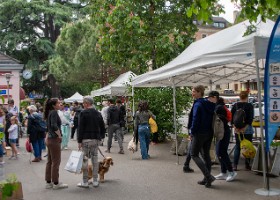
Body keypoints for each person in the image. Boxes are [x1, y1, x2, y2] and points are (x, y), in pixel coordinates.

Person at [189, 85, 216, 188]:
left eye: (194, 91)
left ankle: (208, 177)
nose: (192, 93)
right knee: (206, 156)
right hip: (209, 133)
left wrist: (192, 132)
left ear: (199, 92)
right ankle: (207, 180)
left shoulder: (198, 104)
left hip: (199, 133)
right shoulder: (209, 103)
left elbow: (195, 120)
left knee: (194, 154)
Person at [207, 91, 237, 182]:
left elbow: (220, 121)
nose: (208, 99)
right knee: (219, 152)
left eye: (210, 97)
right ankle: (223, 172)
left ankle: (231, 172)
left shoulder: (219, 107)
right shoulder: (218, 106)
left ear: (215, 97)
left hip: (223, 132)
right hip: (221, 132)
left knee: (221, 152)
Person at [77, 96, 105, 188]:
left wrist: (79, 141)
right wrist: (101, 137)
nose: (83, 104)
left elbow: (80, 128)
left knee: (85, 160)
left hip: (85, 139)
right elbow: (102, 126)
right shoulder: (97, 113)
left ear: (86, 103)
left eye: (83, 103)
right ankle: (95, 180)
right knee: (95, 160)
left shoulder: (83, 113)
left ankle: (85, 181)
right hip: (95, 139)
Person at [44, 98, 68, 190]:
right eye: (58, 103)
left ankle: (49, 182)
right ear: (54, 105)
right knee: (56, 161)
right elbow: (54, 125)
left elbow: (48, 127)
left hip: (50, 139)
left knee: (50, 161)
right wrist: (59, 135)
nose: (60, 104)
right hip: (54, 139)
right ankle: (56, 183)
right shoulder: (54, 112)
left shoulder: (49, 112)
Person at [231, 91, 254, 171]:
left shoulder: (235, 105)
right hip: (247, 129)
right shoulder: (249, 106)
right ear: (247, 97)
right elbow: (250, 118)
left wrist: (235, 127)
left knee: (238, 146)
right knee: (247, 146)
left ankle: (235, 165)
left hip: (237, 129)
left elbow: (232, 117)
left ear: (239, 97)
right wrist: (245, 127)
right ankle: (247, 165)